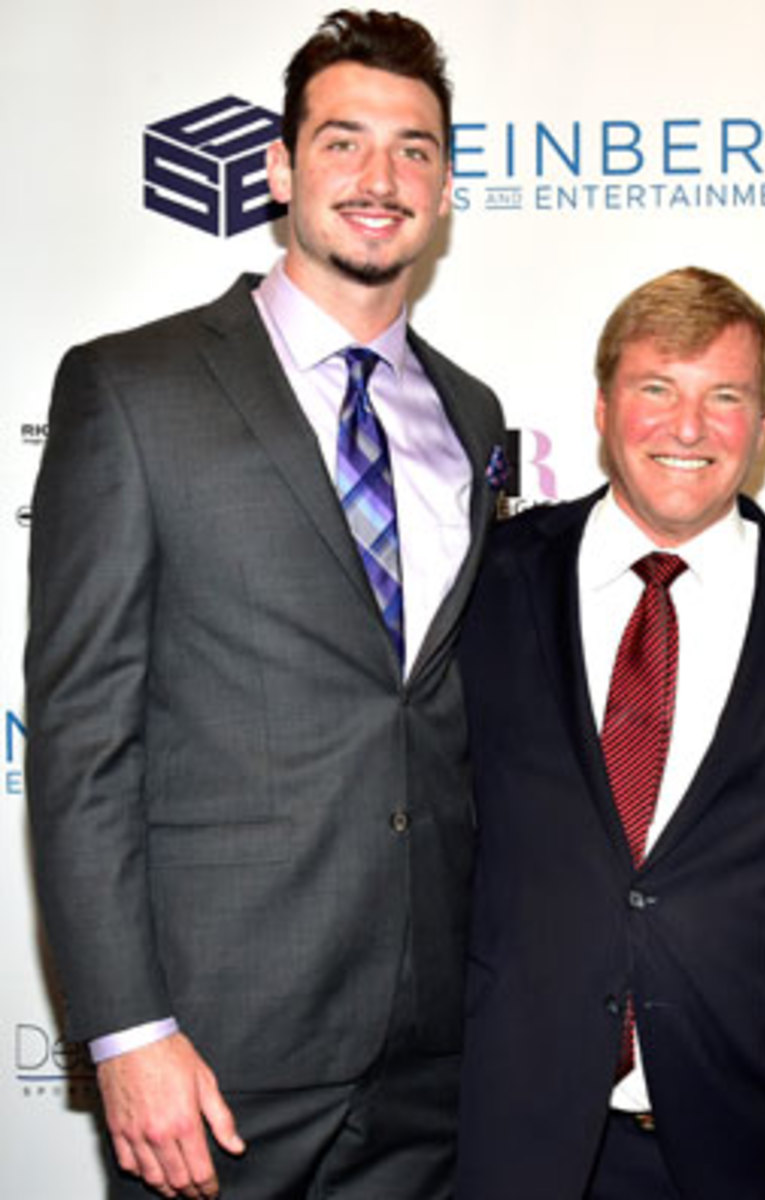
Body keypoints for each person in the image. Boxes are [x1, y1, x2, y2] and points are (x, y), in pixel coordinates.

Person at [26, 10, 504, 1199]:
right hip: (216, 1048)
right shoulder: (131, 387)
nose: (380, 178)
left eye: (413, 149)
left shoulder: (471, 416)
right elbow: (82, 737)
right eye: (343, 142)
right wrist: (127, 1032)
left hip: (431, 1051)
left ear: (445, 189)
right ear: (281, 169)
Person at [454, 267, 765, 1200]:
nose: (687, 428)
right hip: (526, 1141)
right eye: (656, 388)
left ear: (761, 422)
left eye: (723, 396)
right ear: (603, 408)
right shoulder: (485, 585)